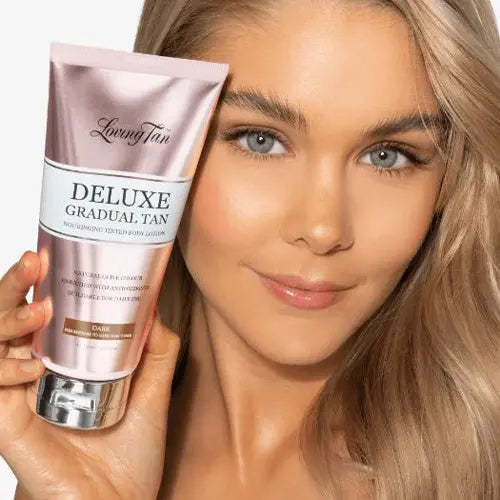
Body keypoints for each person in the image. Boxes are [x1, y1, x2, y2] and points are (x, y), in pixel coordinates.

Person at [1, 0, 499, 498]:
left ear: (449, 181)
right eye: (262, 140)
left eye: (387, 156)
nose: (322, 229)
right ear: (156, 152)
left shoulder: (481, 468)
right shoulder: (84, 466)